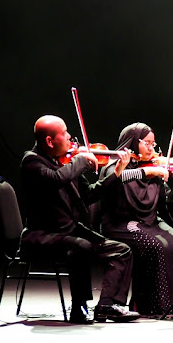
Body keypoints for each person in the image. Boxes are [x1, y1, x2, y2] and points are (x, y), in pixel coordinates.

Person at [20, 115, 140, 324]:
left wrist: (116, 173)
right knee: (81, 247)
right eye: (65, 133)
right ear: (49, 141)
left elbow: (90, 194)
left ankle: (108, 306)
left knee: (121, 250)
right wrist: (81, 160)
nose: (70, 138)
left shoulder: (64, 162)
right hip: (44, 236)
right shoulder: (32, 162)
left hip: (70, 233)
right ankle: (79, 306)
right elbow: (56, 179)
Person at [98, 123, 173, 316]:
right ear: (133, 142)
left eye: (153, 144)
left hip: (151, 220)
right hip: (122, 223)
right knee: (158, 246)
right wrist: (148, 172)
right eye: (147, 143)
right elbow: (116, 177)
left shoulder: (154, 165)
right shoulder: (115, 165)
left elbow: (162, 200)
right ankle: (153, 305)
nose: (152, 148)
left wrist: (167, 185)